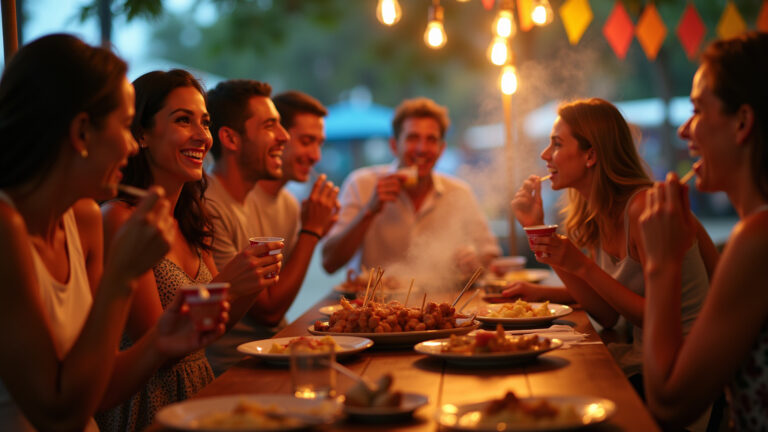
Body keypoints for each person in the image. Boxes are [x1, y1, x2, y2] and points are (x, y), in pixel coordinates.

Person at [0, 35, 226, 431]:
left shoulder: (83, 218)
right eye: (125, 127)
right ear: (81, 132)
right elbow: (57, 411)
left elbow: (98, 392)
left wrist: (160, 342)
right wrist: (120, 277)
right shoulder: (6, 228)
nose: (132, 146)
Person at [97, 70, 282, 431]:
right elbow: (159, 346)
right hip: (149, 405)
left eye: (206, 123)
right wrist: (226, 286)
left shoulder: (192, 219)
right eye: (183, 120)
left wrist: (250, 283)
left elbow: (211, 329)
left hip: (199, 395)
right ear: (142, 135)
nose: (202, 136)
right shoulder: (120, 219)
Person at [509, 98, 719, 390]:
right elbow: (607, 315)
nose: (546, 154)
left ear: (590, 155)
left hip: (687, 373)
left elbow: (655, 317)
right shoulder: (599, 214)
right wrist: (538, 233)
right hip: (649, 362)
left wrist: (581, 265)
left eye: (557, 144)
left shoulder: (643, 208)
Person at [639, 32, 768, 430]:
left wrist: (661, 264)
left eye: (697, 110)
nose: (683, 131)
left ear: (742, 121)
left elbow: (669, 402)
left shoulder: (758, 238)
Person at [204, 85, 338, 375]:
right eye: (270, 126)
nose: (284, 137)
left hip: (272, 351)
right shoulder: (208, 205)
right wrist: (311, 232)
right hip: (235, 368)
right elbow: (268, 311)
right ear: (229, 138)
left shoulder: (280, 203)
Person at [322, 97, 500, 281]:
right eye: (413, 138)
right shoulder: (361, 184)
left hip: (441, 302)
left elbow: (490, 254)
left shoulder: (459, 193)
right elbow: (329, 262)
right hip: (372, 305)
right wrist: (369, 211)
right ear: (393, 145)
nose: (422, 149)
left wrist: (474, 261)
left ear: (441, 149)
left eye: (431, 140)